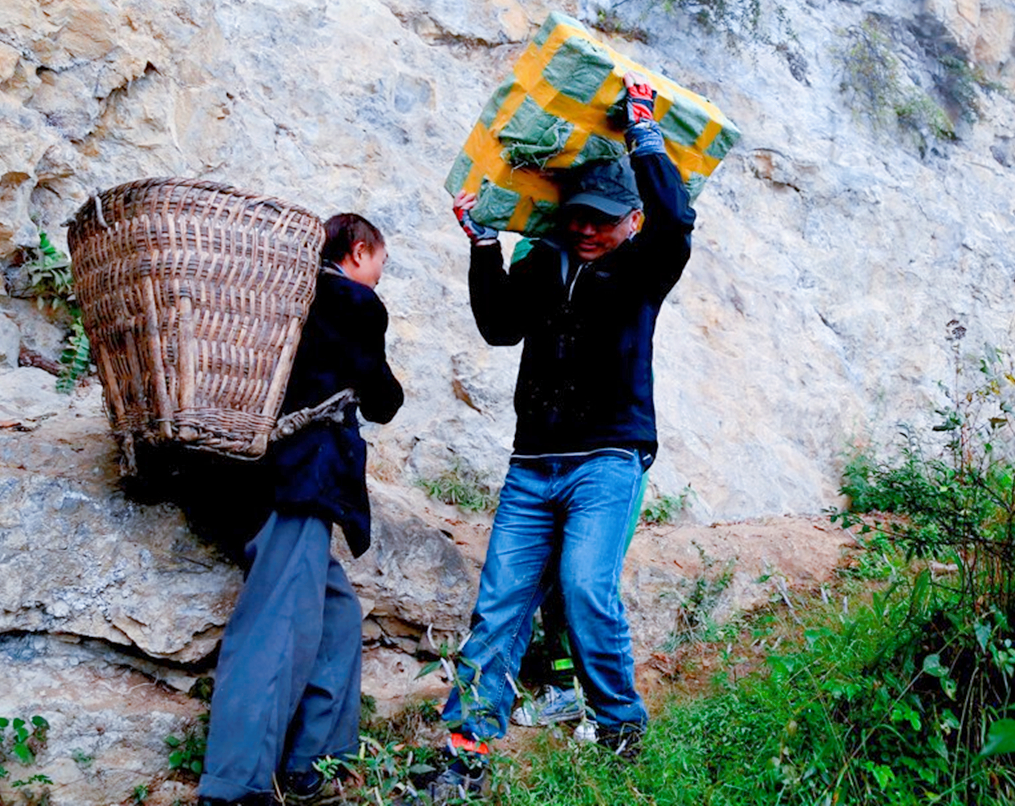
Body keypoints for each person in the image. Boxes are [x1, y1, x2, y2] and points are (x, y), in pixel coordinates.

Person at [433, 71, 695, 797]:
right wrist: (486, 245)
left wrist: (644, 131)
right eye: (578, 214)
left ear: (631, 219)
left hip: (609, 456)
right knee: (499, 608)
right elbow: (499, 325)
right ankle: (463, 754)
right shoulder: (544, 257)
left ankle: (619, 724)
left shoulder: (646, 265)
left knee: (585, 585)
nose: (585, 228)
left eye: (603, 218)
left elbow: (679, 220)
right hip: (533, 462)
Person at [196, 214, 405, 806]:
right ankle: (235, 786)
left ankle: (312, 764)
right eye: (380, 265)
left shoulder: (280, 300)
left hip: (249, 478)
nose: (378, 278)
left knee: (336, 616)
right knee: (276, 627)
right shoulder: (349, 300)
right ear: (359, 251)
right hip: (296, 482)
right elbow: (384, 399)